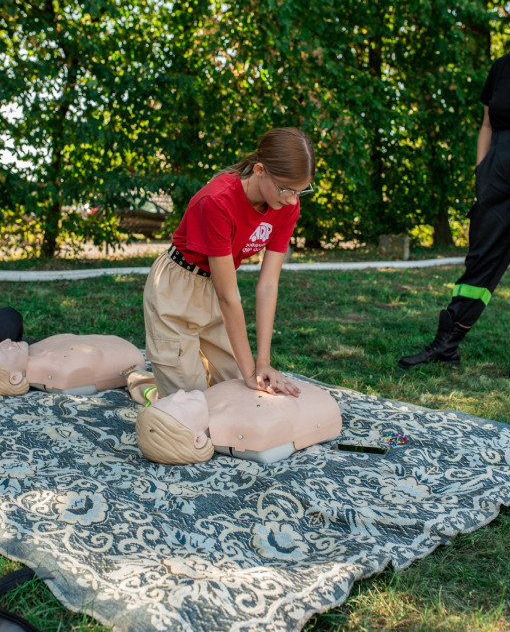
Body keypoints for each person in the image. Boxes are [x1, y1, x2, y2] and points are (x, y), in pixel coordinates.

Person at [143, 127, 315, 398]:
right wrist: (250, 373)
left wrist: (262, 364)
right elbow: (228, 296)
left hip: (215, 287)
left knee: (241, 393)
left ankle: (172, 376)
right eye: (286, 189)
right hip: (176, 290)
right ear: (260, 170)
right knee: (190, 402)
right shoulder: (217, 201)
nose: (292, 199)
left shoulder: (288, 206)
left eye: (300, 191)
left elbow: (268, 286)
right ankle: (148, 387)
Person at [399, 52, 510, 370]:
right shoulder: (501, 67)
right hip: (498, 173)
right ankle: (447, 344)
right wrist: (482, 176)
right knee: (481, 260)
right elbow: (487, 125)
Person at [134, 377, 342, 466]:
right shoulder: (249, 428)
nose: (179, 392)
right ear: (198, 439)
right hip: (317, 404)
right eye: (178, 403)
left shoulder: (211, 396)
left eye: (172, 397)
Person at [0, 335, 145, 396]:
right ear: (15, 378)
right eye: (3, 350)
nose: (6, 341)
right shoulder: (63, 372)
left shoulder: (40, 348)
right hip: (131, 356)